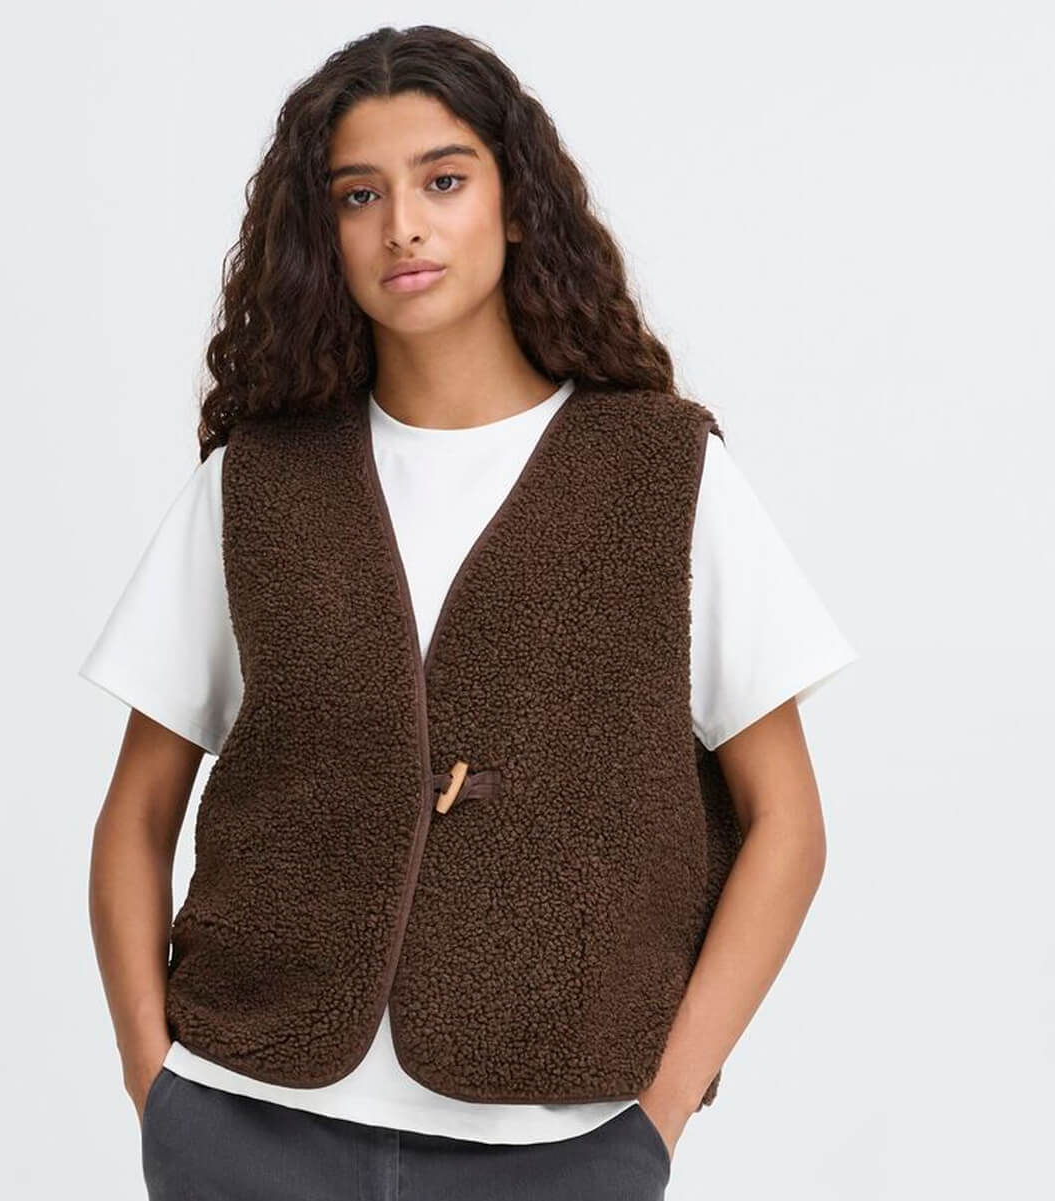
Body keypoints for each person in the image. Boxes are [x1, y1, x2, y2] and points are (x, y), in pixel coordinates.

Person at [80, 23, 857, 1201]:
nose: (403, 225)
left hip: (561, 1145)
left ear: (515, 204)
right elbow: (138, 812)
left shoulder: (661, 472)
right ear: (323, 233)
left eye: (443, 180)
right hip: (248, 1120)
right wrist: (160, 1093)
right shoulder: (258, 482)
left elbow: (786, 822)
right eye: (359, 195)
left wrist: (652, 1120)